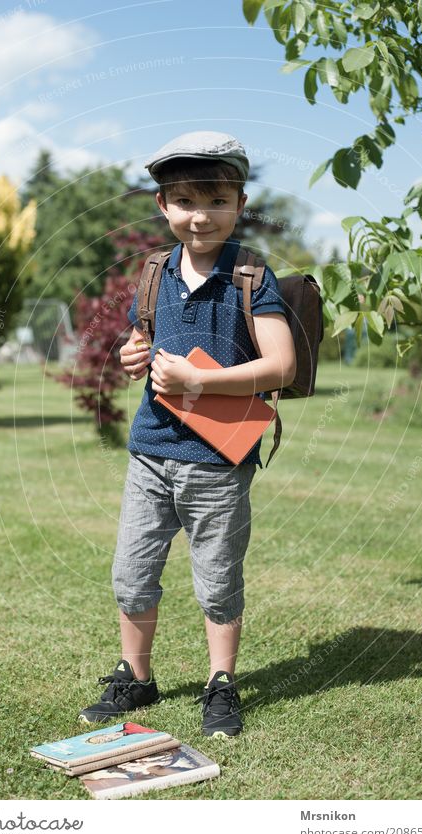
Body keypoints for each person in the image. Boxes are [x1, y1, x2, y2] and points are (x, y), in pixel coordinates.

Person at [78, 131, 296, 737]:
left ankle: (220, 685)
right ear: (163, 206)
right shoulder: (154, 273)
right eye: (186, 202)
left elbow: (281, 367)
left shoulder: (251, 275)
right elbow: (138, 342)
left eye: (218, 201)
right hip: (151, 453)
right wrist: (131, 354)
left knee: (218, 580)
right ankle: (136, 677)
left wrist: (202, 378)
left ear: (240, 202)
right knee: (132, 572)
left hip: (218, 460)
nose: (202, 216)